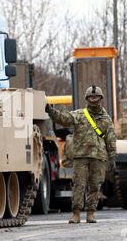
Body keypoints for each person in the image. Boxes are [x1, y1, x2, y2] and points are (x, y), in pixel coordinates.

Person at [46, 86, 117, 224]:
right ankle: (76, 213)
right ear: (87, 99)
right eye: (91, 97)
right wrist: (51, 111)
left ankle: (91, 213)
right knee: (79, 185)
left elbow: (111, 139)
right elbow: (63, 118)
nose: (94, 99)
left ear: (101, 98)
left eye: (96, 97)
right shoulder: (79, 115)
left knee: (95, 186)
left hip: (99, 157)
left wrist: (112, 158)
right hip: (81, 157)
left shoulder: (106, 119)